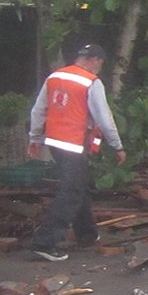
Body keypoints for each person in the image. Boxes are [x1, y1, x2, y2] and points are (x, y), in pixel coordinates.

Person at [28, 44, 126, 262]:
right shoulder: (91, 82)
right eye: (100, 64)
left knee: (79, 186)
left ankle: (87, 234)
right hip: (73, 143)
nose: (99, 69)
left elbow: (38, 110)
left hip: (54, 142)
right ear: (95, 60)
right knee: (71, 191)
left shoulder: (55, 77)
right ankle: (44, 242)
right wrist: (117, 145)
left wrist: (35, 138)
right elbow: (104, 118)